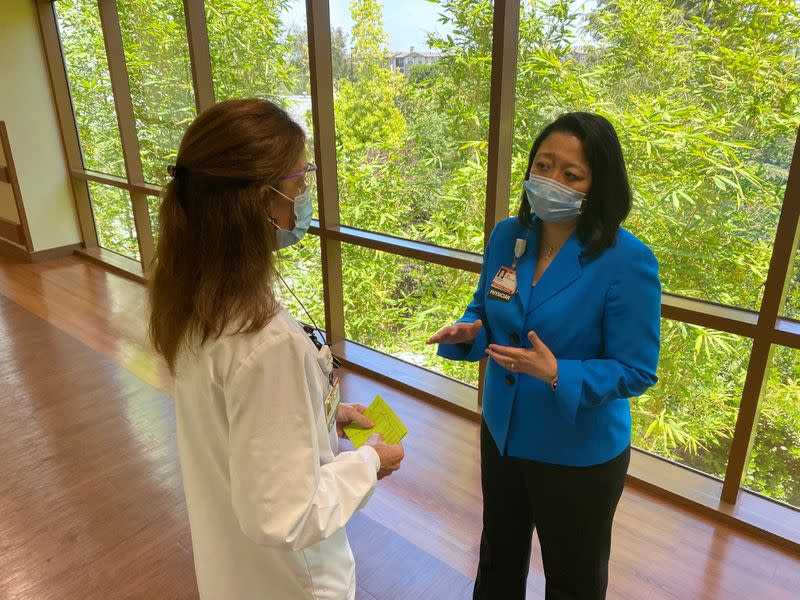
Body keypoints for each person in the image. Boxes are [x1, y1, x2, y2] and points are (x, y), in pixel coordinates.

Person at [148, 98, 404, 600]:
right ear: (259, 201)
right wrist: (370, 461)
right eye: (299, 184)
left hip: (232, 567)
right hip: (292, 581)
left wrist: (319, 415)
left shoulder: (193, 297)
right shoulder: (266, 343)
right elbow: (288, 515)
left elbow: (242, 426)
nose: (304, 198)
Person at [428, 112, 660, 599]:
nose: (551, 181)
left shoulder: (626, 260)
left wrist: (559, 373)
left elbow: (636, 369)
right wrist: (467, 332)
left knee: (573, 579)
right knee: (497, 561)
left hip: (576, 451)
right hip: (504, 432)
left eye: (570, 174)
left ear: (598, 185)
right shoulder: (509, 235)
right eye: (543, 165)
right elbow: (488, 309)